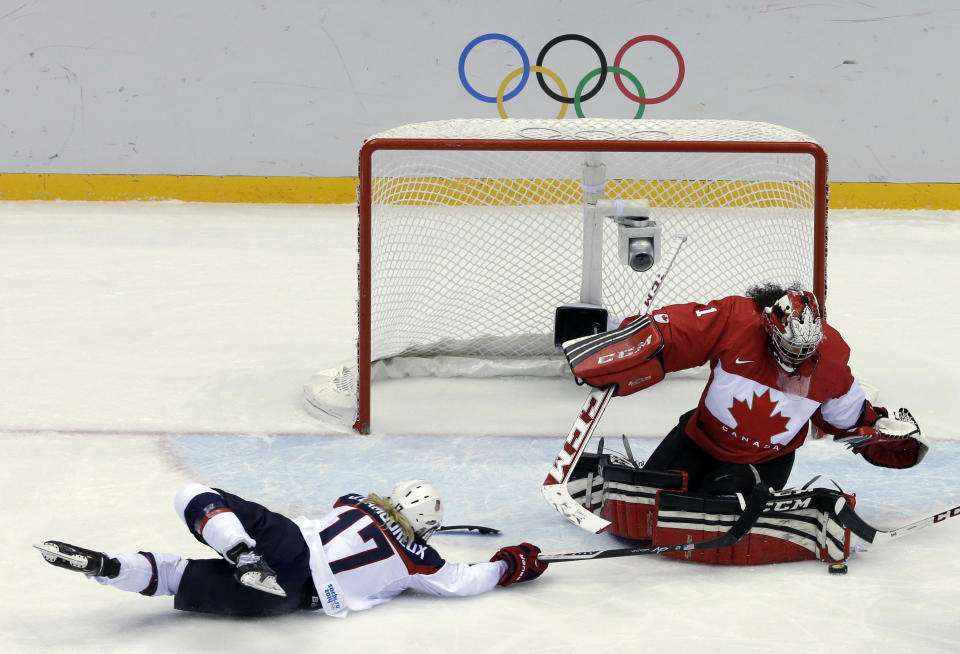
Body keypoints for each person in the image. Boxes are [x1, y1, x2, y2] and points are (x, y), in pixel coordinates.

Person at [564, 283, 928, 564]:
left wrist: (880, 429)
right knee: (648, 505)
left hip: (762, 462)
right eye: (789, 349)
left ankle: (750, 503)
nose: (796, 361)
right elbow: (679, 330)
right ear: (770, 326)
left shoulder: (831, 362)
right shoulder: (737, 320)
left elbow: (847, 419)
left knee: (711, 510)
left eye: (806, 353)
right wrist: (632, 341)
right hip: (698, 438)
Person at [35, 479, 548, 617]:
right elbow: (463, 581)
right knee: (174, 578)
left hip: (287, 540)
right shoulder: (420, 559)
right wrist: (510, 565)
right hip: (295, 595)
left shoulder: (354, 502)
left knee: (193, 495)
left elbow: (353, 514)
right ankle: (107, 568)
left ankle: (237, 550)